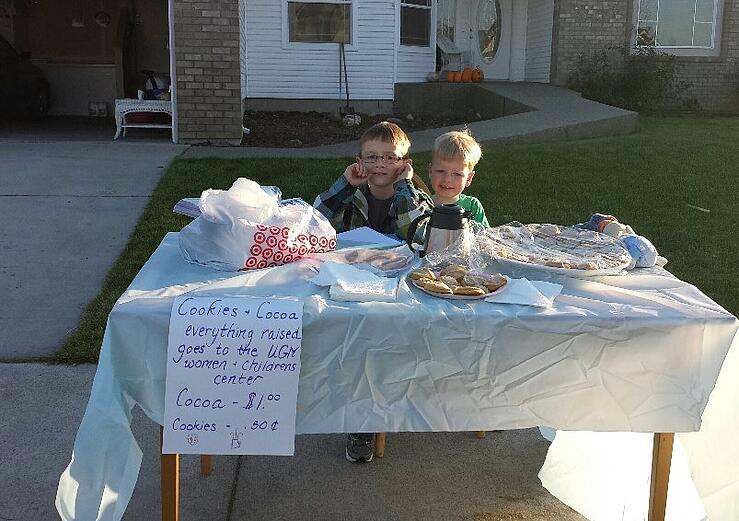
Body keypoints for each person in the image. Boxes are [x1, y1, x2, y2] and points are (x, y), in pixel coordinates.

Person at [314, 121, 433, 463]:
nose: (380, 164)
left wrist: (405, 187)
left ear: (404, 162)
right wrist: (344, 185)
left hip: (399, 285)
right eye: (371, 157)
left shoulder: (413, 197)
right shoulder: (352, 195)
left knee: (385, 343)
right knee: (355, 343)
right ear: (359, 160)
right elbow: (313, 220)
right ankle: (361, 419)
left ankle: (383, 410)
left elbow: (422, 236)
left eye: (389, 157)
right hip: (352, 281)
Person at [428, 129, 489, 227]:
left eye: (457, 174)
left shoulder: (472, 207)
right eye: (440, 171)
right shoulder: (423, 206)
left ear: (469, 178)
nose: (447, 179)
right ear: (430, 172)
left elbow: (485, 237)